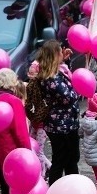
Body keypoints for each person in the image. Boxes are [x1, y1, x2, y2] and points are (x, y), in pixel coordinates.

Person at [32, 41, 80, 184]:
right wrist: (78, 89)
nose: (62, 54)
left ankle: (68, 186)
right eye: (60, 52)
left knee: (67, 158)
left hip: (64, 123)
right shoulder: (51, 78)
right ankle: (64, 187)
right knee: (65, 159)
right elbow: (69, 97)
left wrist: (65, 60)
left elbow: (66, 77)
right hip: (62, 126)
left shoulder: (52, 73)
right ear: (54, 56)